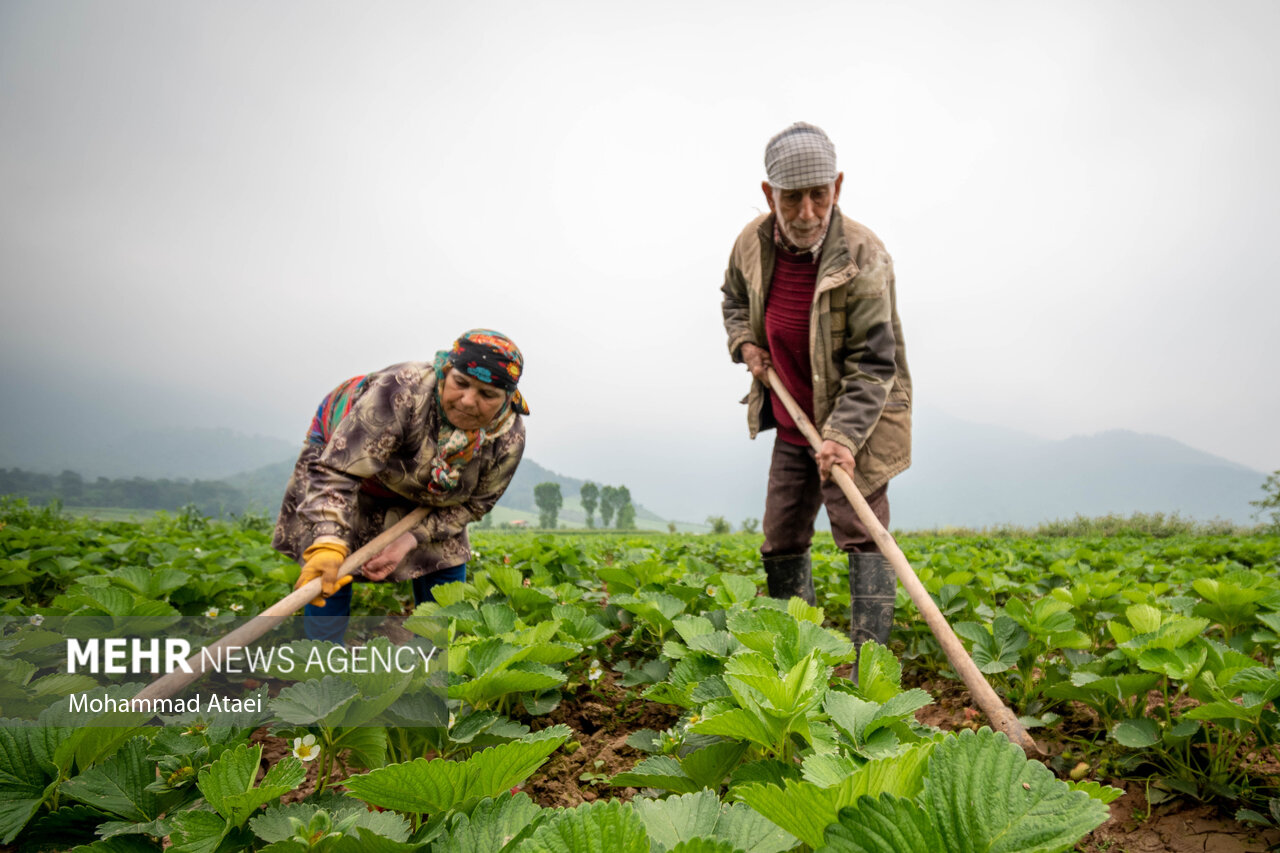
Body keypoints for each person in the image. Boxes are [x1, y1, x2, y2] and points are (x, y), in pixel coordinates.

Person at [720, 122, 912, 659]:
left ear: (838, 188)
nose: (806, 212)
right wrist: (744, 343)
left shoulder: (864, 256)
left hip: (860, 425)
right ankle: (798, 657)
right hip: (790, 418)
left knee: (862, 534)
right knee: (781, 536)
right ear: (769, 195)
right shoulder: (751, 245)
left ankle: (868, 666)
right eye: (792, 198)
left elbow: (875, 362)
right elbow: (733, 299)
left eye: (818, 196)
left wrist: (843, 438)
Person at [271, 329, 528, 644]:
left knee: (445, 556)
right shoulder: (402, 391)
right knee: (331, 563)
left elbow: (473, 504)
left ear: (506, 400)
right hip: (346, 457)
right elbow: (337, 473)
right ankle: (324, 657)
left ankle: (436, 657)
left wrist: (411, 539)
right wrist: (327, 542)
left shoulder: (507, 437)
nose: (468, 401)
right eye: (460, 383)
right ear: (447, 372)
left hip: (431, 489)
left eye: (487, 395)